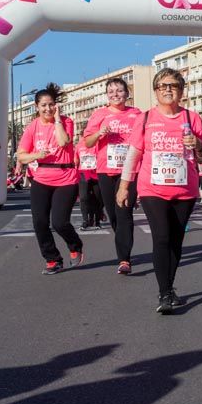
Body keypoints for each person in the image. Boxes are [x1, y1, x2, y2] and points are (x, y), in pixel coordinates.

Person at [117, 68, 202, 314]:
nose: (168, 90)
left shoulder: (192, 118)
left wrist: (198, 144)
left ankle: (169, 286)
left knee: (176, 240)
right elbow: (133, 154)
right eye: (163, 86)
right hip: (152, 188)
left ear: (181, 90)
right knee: (161, 237)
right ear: (156, 91)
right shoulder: (146, 118)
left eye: (174, 85)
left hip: (184, 189)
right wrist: (124, 186)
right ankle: (165, 293)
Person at [16, 84, 84, 274]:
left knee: (59, 222)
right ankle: (52, 259)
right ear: (37, 107)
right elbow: (21, 155)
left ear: (56, 105)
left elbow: (63, 142)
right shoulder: (33, 126)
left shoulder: (66, 121)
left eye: (51, 104)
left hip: (66, 178)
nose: (48, 109)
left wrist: (57, 120)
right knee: (39, 221)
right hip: (42, 179)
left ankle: (75, 245)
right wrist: (36, 155)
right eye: (43, 105)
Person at [82, 78, 143, 275]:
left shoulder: (137, 114)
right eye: (111, 91)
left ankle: (124, 259)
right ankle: (122, 242)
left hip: (130, 170)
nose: (115, 94)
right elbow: (88, 142)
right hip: (105, 171)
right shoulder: (99, 114)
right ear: (107, 95)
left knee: (124, 211)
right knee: (114, 214)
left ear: (127, 93)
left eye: (119, 90)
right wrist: (99, 133)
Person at [77, 140, 103, 229]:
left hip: (96, 174)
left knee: (97, 198)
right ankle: (85, 221)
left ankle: (97, 220)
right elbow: (76, 159)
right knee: (83, 197)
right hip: (83, 173)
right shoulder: (79, 144)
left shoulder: (98, 143)